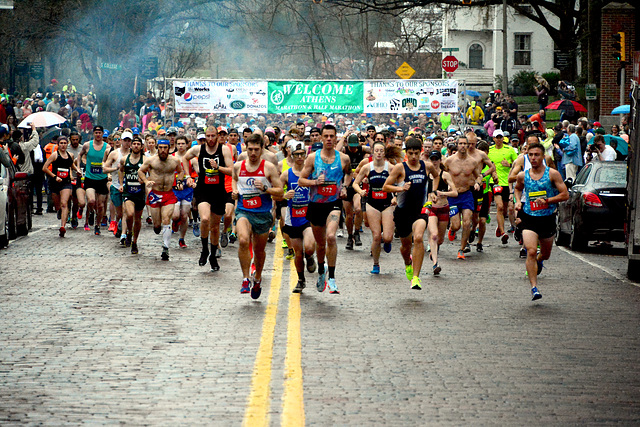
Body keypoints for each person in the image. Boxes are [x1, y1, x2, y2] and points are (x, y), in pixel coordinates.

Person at [298, 124, 352, 294]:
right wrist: (314, 182)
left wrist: (344, 187)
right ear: (321, 138)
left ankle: (332, 278)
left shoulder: (343, 158)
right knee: (320, 245)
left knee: (331, 237)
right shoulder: (313, 158)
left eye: (332, 136)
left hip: (333, 204)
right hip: (316, 205)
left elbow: (349, 173)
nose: (329, 139)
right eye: (326, 136)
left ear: (336, 138)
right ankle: (322, 271)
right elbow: (301, 180)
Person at [383, 137, 440, 290]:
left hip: (420, 211)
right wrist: (400, 188)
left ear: (420, 152)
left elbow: (437, 176)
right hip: (402, 213)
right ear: (406, 153)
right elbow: (386, 186)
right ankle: (408, 262)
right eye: (410, 153)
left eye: (416, 153)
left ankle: (416, 278)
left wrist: (433, 191)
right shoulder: (400, 168)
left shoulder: (426, 166)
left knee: (419, 237)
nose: (414, 157)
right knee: (405, 246)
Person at [514, 142, 569, 300]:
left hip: (547, 218)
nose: (533, 158)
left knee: (545, 254)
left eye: (536, 155)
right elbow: (517, 188)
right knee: (531, 250)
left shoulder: (552, 174)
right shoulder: (523, 175)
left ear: (543, 156)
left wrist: (548, 200)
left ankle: (539, 261)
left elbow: (565, 195)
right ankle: (534, 287)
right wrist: (517, 201)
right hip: (529, 217)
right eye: (530, 155)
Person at [232, 133, 282, 299]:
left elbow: (280, 191)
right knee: (244, 240)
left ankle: (258, 277)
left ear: (262, 149)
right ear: (245, 148)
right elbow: (234, 179)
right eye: (250, 149)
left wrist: (266, 189)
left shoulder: (268, 167)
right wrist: (234, 191)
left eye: (256, 149)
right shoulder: (238, 166)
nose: (253, 153)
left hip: (262, 212)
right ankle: (246, 278)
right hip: (243, 210)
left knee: (259, 250)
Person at [183, 126, 234, 271]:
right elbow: (185, 158)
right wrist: (187, 176)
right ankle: (204, 249)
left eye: (213, 136)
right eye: (208, 136)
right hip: (203, 189)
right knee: (204, 219)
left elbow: (231, 170)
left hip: (219, 191)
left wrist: (219, 168)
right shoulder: (199, 149)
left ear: (218, 136)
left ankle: (212, 254)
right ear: (205, 136)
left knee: (215, 226)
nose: (210, 139)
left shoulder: (224, 150)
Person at [138, 139, 184, 260]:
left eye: (165, 148)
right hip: (155, 194)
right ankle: (157, 226)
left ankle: (166, 248)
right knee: (157, 225)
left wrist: (179, 181)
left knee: (166, 219)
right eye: (161, 147)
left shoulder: (174, 161)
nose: (163, 150)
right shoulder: (151, 160)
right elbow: (140, 171)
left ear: (169, 148)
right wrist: (147, 181)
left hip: (168, 194)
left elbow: (180, 171)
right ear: (158, 148)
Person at [353, 141, 394, 274]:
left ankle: (387, 242)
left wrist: (395, 196)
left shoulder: (391, 167)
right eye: (376, 150)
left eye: (381, 151)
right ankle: (376, 264)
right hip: (372, 203)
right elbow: (355, 183)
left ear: (384, 153)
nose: (379, 153)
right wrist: (360, 192)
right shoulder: (367, 167)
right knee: (376, 236)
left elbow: (401, 183)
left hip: (387, 204)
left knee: (387, 237)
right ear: (373, 152)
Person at [281, 140, 317, 292]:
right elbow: (274, 193)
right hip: (293, 217)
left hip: (308, 216)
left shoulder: (312, 172)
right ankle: (301, 280)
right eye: (297, 155)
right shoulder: (286, 174)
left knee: (309, 247)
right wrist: (284, 195)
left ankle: (310, 257)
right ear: (292, 155)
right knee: (298, 252)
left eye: (303, 154)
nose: (300, 157)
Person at [443, 135, 482, 259]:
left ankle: (461, 249)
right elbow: (442, 174)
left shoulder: (472, 161)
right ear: (457, 144)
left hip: (466, 194)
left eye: (465, 144)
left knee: (467, 222)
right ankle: (453, 229)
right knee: (456, 225)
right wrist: (447, 185)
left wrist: (477, 183)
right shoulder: (449, 160)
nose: (463, 146)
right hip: (454, 196)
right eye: (460, 144)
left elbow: (478, 176)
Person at [425, 150, 457, 274]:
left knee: (440, 239)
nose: (434, 162)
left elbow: (455, 192)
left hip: (443, 208)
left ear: (440, 160)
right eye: (432, 159)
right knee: (433, 235)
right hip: (431, 209)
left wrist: (443, 193)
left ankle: (434, 252)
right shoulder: (427, 175)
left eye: (436, 159)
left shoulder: (445, 175)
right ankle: (435, 264)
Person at [42, 135, 80, 237]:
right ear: (58, 145)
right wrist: (54, 177)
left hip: (66, 182)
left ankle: (62, 226)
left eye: (64, 143)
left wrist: (77, 170)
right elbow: (45, 168)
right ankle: (59, 211)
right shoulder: (55, 155)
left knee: (64, 203)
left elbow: (71, 165)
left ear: (67, 144)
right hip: (55, 183)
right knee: (58, 205)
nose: (63, 145)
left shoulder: (70, 155)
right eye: (61, 143)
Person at [77, 125, 111, 235]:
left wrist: (108, 172)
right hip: (90, 178)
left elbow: (110, 161)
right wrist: (78, 167)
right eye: (96, 132)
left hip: (102, 179)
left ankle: (98, 225)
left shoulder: (107, 147)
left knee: (100, 206)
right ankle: (91, 212)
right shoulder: (87, 145)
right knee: (91, 201)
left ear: (102, 134)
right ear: (93, 134)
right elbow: (79, 155)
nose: (98, 134)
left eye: (100, 132)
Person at [487, 129, 517, 245]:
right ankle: (504, 232)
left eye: (500, 137)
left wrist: (509, 165)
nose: (499, 139)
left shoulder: (510, 150)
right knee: (499, 207)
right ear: (493, 138)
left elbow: (518, 164)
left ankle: (500, 226)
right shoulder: (490, 151)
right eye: (496, 137)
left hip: (508, 183)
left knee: (506, 209)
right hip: (495, 182)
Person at [103, 131, 132, 243]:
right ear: (121, 140)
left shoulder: (134, 154)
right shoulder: (115, 154)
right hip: (115, 185)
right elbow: (105, 169)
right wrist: (117, 169)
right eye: (125, 140)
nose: (127, 143)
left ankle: (125, 234)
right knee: (120, 213)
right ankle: (120, 226)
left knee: (127, 212)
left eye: (129, 140)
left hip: (129, 186)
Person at [119, 136, 146, 254]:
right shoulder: (125, 159)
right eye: (134, 144)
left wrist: (145, 179)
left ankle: (134, 241)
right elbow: (121, 170)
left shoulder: (145, 160)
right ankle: (129, 232)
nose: (135, 146)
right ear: (131, 146)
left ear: (141, 147)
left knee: (138, 218)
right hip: (128, 191)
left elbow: (151, 174)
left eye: (138, 144)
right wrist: (121, 183)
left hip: (140, 192)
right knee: (129, 214)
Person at [171, 136, 195, 248]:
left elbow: (198, 172)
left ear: (187, 145)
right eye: (178, 143)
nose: (180, 145)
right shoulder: (171, 158)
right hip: (174, 190)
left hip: (187, 190)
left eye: (182, 143)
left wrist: (194, 182)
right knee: (176, 215)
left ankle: (182, 239)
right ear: (175, 145)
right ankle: (175, 222)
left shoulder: (192, 159)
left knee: (184, 216)